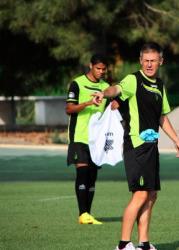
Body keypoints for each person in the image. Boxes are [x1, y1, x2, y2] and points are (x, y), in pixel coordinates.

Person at [91, 42, 179, 250]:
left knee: (151, 195)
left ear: (160, 61)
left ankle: (143, 243)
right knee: (141, 194)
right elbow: (116, 89)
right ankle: (123, 244)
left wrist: (176, 140)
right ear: (140, 61)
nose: (150, 64)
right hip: (136, 146)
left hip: (152, 147)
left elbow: (162, 116)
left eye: (153, 61)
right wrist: (103, 94)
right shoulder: (134, 80)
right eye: (146, 61)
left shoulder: (159, 85)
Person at [65, 53, 119, 225]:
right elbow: (69, 109)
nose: (101, 71)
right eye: (98, 68)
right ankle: (83, 213)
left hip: (97, 139)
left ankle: (88, 214)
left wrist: (114, 105)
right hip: (79, 135)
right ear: (91, 66)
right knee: (82, 171)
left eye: (104, 69)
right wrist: (87, 103)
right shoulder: (77, 83)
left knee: (92, 175)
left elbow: (109, 110)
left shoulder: (105, 87)